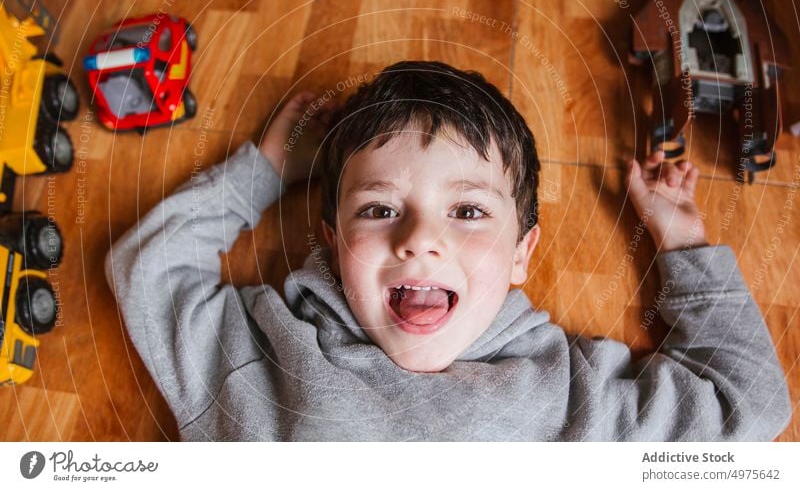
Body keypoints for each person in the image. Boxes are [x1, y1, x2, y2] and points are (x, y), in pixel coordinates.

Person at [105, 61, 792, 440]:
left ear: (525, 252)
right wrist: (262, 170)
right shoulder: (266, 360)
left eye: (466, 210)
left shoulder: (573, 398)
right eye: (378, 209)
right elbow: (148, 267)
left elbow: (752, 403)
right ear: (332, 240)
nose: (421, 240)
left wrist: (683, 243)